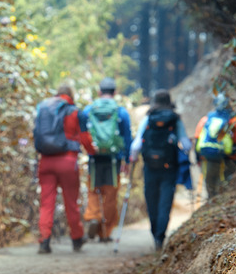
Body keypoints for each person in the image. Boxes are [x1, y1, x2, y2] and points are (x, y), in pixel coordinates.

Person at [33, 84, 94, 254]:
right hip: (68, 161)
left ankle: (44, 241)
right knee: (71, 203)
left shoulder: (44, 109)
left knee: (46, 204)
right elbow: (84, 138)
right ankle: (76, 239)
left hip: (45, 161)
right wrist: (93, 152)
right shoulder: (74, 111)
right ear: (70, 95)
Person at [130, 89, 191, 251]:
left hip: (150, 166)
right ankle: (160, 237)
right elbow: (185, 144)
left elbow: (136, 144)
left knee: (151, 201)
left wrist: (133, 157)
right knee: (165, 202)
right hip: (169, 167)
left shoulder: (149, 117)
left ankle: (154, 231)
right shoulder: (175, 119)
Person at [82, 77, 133, 243]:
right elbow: (127, 138)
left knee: (93, 190)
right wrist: (127, 160)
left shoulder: (88, 110)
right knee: (110, 195)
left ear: (99, 92)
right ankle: (105, 233)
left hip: (94, 158)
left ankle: (94, 216)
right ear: (115, 92)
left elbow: (82, 133)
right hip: (114, 160)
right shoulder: (121, 112)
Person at [194, 93, 236, 198]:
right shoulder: (234, 121)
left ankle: (211, 203)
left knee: (211, 185)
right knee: (225, 187)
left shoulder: (206, 119)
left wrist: (198, 159)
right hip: (229, 159)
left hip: (208, 158)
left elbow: (197, 139)